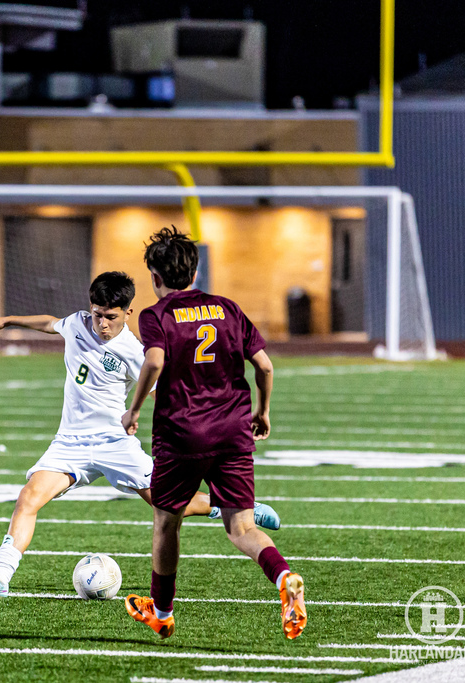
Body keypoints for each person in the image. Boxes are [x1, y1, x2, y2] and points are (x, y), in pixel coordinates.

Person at [0, 271, 280, 598]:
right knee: (28, 497)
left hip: (115, 443)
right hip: (70, 443)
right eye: (97, 314)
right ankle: (0, 578)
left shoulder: (135, 351)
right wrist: (8, 321)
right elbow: (50, 323)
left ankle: (239, 507)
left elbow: (164, 394)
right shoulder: (77, 323)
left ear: (128, 313)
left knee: (170, 504)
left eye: (110, 317)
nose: (102, 324)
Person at [122, 227, 306, 640]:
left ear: (155, 276)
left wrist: (133, 410)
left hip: (181, 435)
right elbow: (265, 366)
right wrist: (263, 411)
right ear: (195, 271)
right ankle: (283, 577)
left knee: (166, 522)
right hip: (233, 431)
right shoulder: (228, 308)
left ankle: (162, 612)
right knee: (241, 528)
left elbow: (154, 361)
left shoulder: (156, 315)